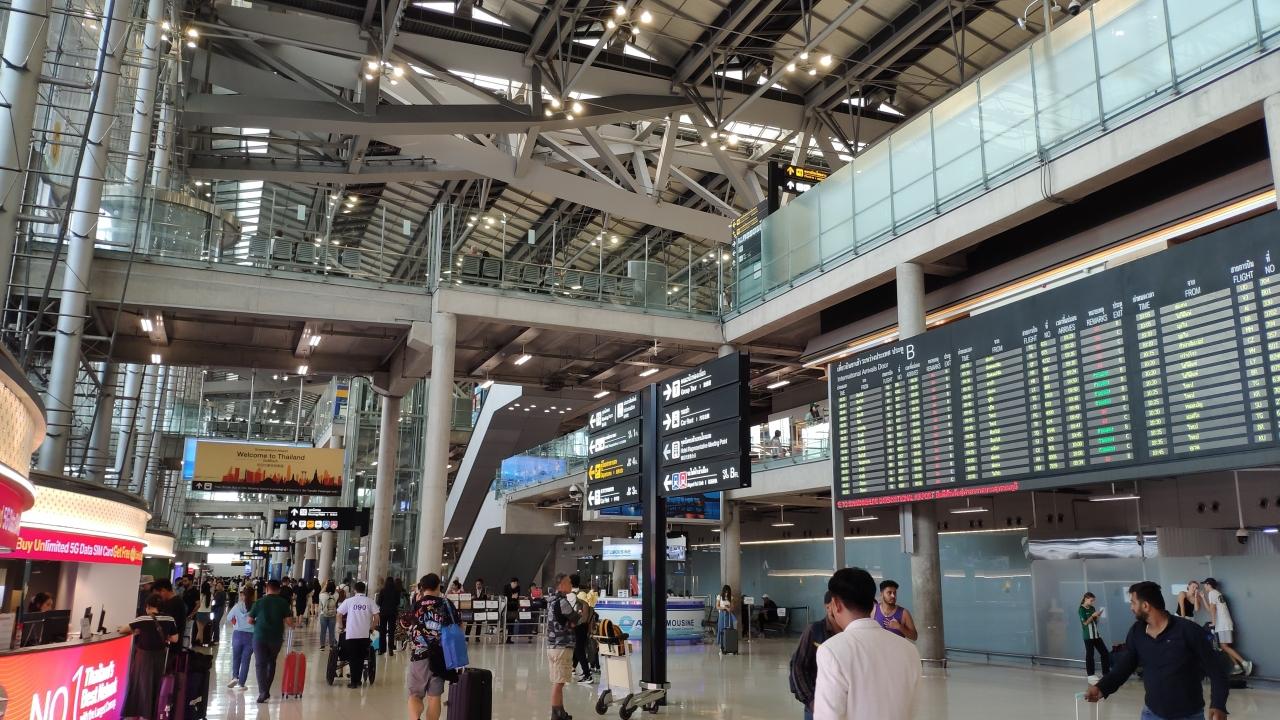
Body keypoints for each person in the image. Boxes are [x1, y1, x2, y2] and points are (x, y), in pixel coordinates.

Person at [1087, 581, 1228, 720]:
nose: (1131, 607)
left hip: (1188, 714)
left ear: (1145, 605)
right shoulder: (1137, 632)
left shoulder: (1188, 630)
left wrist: (1218, 704)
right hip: (1151, 713)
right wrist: (1102, 687)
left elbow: (1216, 668)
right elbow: (1125, 666)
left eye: (1133, 603)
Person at [813, 567, 921, 720]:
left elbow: (828, 716)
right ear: (873, 603)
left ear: (836, 604)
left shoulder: (831, 651)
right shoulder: (909, 650)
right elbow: (912, 708)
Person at [406, 573, 458, 720]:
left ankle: (415, 718)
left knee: (415, 695)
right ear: (438, 586)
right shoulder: (446, 604)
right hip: (440, 656)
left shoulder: (416, 605)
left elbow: (406, 626)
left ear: (422, 588)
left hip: (419, 655)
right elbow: (458, 628)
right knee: (434, 697)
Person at [119, 593, 179, 720]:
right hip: (160, 657)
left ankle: (143, 714)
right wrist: (163, 636)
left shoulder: (143, 619)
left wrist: (138, 631)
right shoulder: (169, 619)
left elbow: (123, 630)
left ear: (148, 606)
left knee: (142, 686)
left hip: (143, 658)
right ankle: (154, 713)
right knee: (157, 685)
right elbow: (175, 638)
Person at [790, 592, 839, 720]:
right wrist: (812, 701)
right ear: (828, 607)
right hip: (817, 704)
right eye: (837, 605)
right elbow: (798, 666)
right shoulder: (814, 630)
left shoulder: (849, 631)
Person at [248, 580, 295, 704]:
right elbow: (290, 622)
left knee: (260, 664)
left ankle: (263, 692)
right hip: (276, 638)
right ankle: (266, 690)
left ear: (267, 589)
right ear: (279, 590)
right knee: (271, 662)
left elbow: (250, 620)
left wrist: (258, 624)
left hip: (259, 637)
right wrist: (292, 624)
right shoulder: (283, 603)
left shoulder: (259, 602)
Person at [546, 573, 580, 720]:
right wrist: (578, 614)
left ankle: (561, 712)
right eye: (568, 582)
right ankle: (556, 714)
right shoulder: (562, 602)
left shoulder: (551, 601)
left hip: (552, 646)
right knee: (559, 682)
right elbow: (574, 619)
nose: (571, 585)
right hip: (561, 646)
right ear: (560, 585)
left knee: (558, 680)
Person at [1202, 578, 1251, 676]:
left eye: (1204, 584)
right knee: (1224, 646)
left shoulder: (1212, 593)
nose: (1204, 586)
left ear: (1208, 584)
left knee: (1224, 646)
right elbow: (1210, 609)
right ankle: (1237, 666)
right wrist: (1203, 598)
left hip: (1222, 624)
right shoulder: (1216, 593)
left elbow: (1212, 609)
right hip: (1224, 623)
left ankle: (1245, 663)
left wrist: (1214, 622)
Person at [337, 580, 378, 688]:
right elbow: (377, 617)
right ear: (364, 590)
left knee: (353, 657)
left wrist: (341, 627)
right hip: (364, 634)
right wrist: (372, 628)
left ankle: (353, 682)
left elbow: (339, 614)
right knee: (360, 658)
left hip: (351, 633)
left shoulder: (349, 601)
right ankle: (358, 680)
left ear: (355, 590)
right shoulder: (370, 601)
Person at [225, 587, 257, 690]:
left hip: (237, 634)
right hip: (251, 635)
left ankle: (235, 677)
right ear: (253, 595)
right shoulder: (256, 607)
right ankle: (242, 683)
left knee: (236, 657)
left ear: (243, 595)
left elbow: (229, 618)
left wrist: (235, 622)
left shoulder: (237, 606)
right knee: (245, 660)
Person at [1079, 592, 1111, 680]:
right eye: (1091, 600)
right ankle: (1090, 675)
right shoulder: (1081, 609)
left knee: (1105, 653)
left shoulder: (1092, 608)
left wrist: (1097, 616)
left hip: (1096, 635)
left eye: (1093, 601)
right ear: (1086, 599)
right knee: (1090, 655)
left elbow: (1095, 621)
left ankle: (1106, 673)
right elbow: (1085, 623)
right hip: (1088, 636)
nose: (1092, 602)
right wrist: (1092, 616)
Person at [572, 574, 598, 684]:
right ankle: (576, 668)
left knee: (579, 649)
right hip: (584, 624)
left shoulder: (577, 595)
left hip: (579, 624)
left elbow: (584, 611)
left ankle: (587, 674)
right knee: (579, 648)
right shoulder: (584, 593)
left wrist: (579, 623)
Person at [377, 576, 400, 655]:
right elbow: (398, 602)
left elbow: (379, 602)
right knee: (391, 631)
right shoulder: (396, 591)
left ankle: (382, 649)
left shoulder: (382, 590)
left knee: (382, 631)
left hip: (383, 612)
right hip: (392, 612)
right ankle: (390, 649)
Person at [318, 580, 339, 649]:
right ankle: (331, 645)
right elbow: (336, 591)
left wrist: (326, 585)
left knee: (323, 631)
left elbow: (320, 592)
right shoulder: (336, 595)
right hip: (333, 615)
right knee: (332, 631)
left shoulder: (322, 595)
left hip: (323, 614)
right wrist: (332, 586)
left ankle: (322, 645)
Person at [467, 578, 488, 642]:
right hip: (472, 610)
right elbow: (467, 598)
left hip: (480, 610)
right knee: (469, 624)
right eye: (476, 584)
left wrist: (487, 597)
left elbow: (486, 600)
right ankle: (466, 637)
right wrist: (471, 598)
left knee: (479, 625)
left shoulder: (485, 592)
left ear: (481, 585)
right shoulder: (472, 590)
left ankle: (477, 637)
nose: (477, 585)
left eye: (479, 584)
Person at [504, 578, 522, 643]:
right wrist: (511, 596)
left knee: (512, 624)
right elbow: (505, 596)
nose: (516, 585)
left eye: (517, 583)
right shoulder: (506, 587)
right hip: (507, 608)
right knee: (506, 623)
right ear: (511, 583)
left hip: (514, 608)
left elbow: (517, 596)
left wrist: (513, 597)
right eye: (515, 583)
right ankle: (503, 637)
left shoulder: (518, 587)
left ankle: (509, 638)